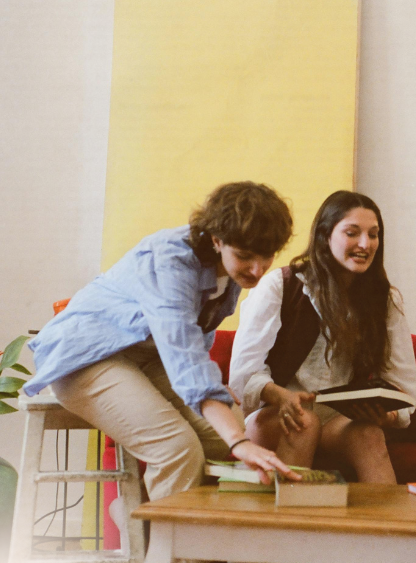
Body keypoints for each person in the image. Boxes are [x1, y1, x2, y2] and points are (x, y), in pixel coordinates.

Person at [24, 181, 301, 507]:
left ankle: (155, 523)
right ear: (217, 239)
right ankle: (172, 550)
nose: (257, 270)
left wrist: (226, 417)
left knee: (222, 435)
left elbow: (197, 338)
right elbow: (183, 351)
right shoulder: (170, 260)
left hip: (145, 357)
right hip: (85, 356)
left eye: (266, 257)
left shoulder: (228, 270)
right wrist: (235, 435)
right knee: (177, 449)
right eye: (244, 256)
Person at [229, 190, 416, 484]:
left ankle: (388, 529)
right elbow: (243, 373)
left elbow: (402, 381)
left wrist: (387, 415)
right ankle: (290, 526)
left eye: (373, 234)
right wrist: (283, 396)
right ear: (324, 236)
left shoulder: (385, 299)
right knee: (304, 422)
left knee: (369, 434)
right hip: (276, 413)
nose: (365, 244)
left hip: (337, 420)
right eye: (352, 233)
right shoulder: (280, 285)